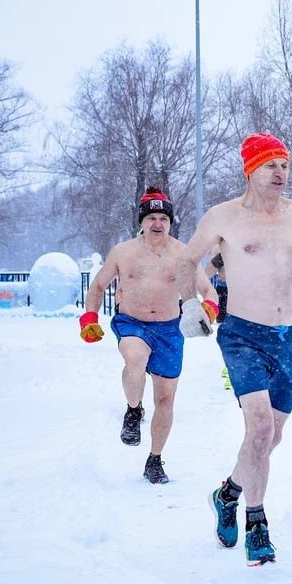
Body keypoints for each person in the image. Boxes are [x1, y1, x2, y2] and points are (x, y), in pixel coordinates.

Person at [175, 132, 292, 566]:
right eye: (271, 165)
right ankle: (257, 524)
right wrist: (188, 303)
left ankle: (227, 493)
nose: (281, 173)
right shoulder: (223, 217)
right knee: (260, 429)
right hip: (243, 334)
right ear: (251, 170)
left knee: (271, 436)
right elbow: (188, 260)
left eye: (284, 165)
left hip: (291, 338)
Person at [80, 187, 217, 484]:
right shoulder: (123, 252)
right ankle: (133, 410)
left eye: (163, 218)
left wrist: (208, 309)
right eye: (151, 217)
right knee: (135, 358)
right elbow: (97, 287)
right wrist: (89, 318)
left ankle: (154, 459)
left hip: (170, 329)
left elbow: (208, 290)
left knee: (166, 399)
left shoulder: (183, 255)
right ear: (142, 221)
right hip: (132, 323)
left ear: (170, 222)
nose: (157, 223)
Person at [206, 253, 229, 322]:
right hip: (224, 289)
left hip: (236, 289)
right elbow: (207, 274)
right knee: (222, 320)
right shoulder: (220, 250)